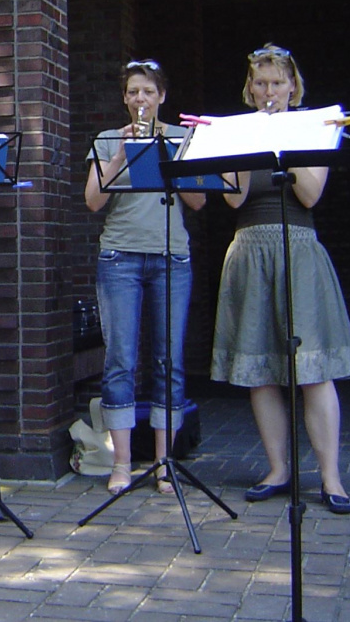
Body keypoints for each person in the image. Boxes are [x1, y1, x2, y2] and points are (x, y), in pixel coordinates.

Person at [210, 44, 350, 514]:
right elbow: (233, 200)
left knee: (312, 371)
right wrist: (246, 140)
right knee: (260, 372)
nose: (269, 91)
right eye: (261, 83)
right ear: (250, 88)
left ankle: (331, 477)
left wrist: (284, 139)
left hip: (297, 247)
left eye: (278, 82)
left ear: (293, 88)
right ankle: (278, 468)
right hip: (249, 248)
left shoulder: (312, 127)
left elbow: (311, 193)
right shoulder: (238, 131)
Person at [84, 59, 205, 496]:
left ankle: (163, 462)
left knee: (168, 360)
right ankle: (121, 463)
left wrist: (170, 157)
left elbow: (197, 202)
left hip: (171, 257)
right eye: (133, 92)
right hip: (120, 259)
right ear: (125, 97)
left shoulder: (180, 138)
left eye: (148, 92)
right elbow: (93, 201)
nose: (140, 99)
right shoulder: (107, 140)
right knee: (120, 360)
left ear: (162, 97)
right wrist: (120, 155)